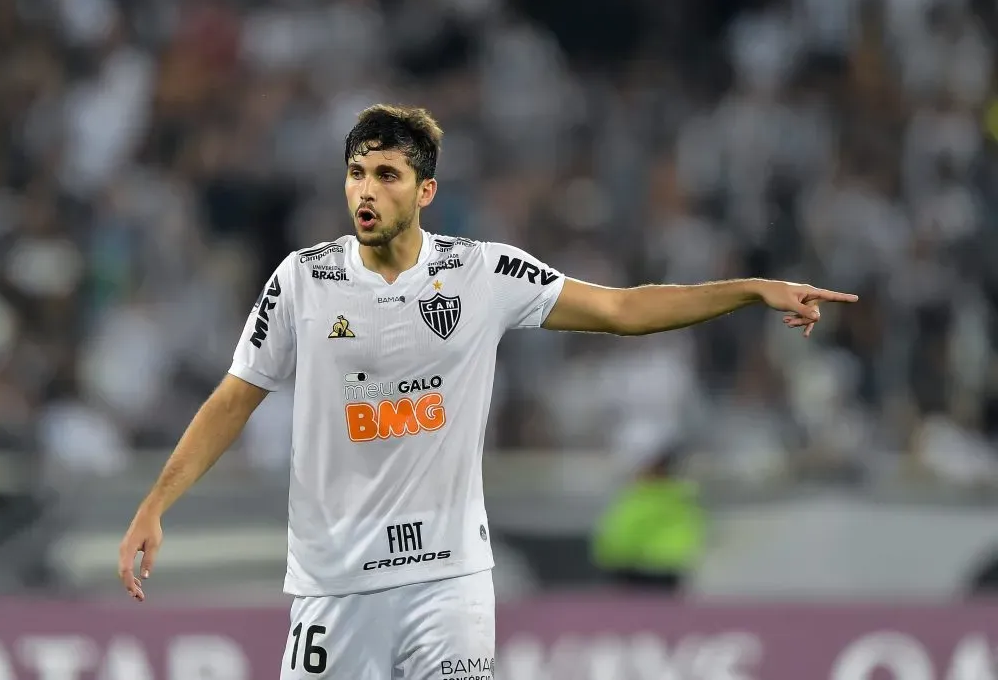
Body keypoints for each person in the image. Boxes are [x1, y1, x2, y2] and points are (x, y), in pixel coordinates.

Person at [118, 104, 857, 679]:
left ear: (425, 190)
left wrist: (752, 290)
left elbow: (622, 309)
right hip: (334, 584)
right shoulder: (303, 279)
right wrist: (155, 503)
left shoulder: (484, 272)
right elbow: (233, 399)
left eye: (387, 175)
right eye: (356, 173)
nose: (366, 191)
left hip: (449, 580)